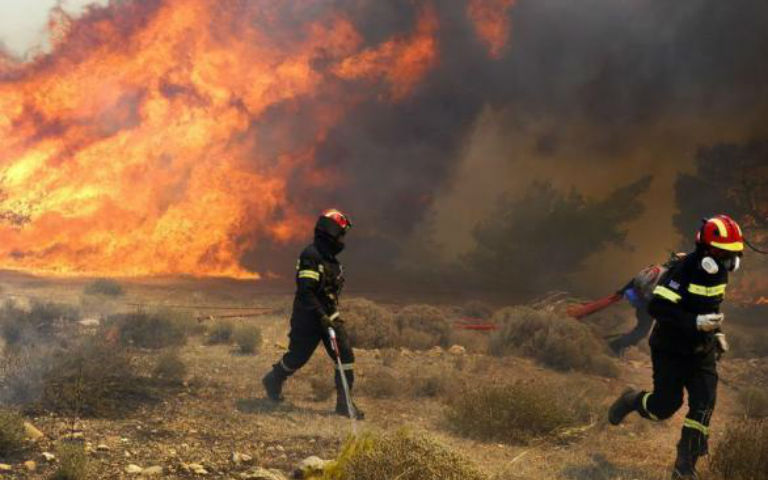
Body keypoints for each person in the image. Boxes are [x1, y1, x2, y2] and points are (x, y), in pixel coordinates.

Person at [608, 215, 743, 479]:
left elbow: (711, 305)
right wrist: (694, 322)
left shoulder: (720, 273)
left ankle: (685, 466)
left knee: (703, 406)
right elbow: (658, 307)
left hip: (700, 351)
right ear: (707, 248)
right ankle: (632, 399)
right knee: (664, 407)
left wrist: (716, 333)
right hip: (670, 349)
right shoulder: (683, 270)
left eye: (734, 254)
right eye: (725, 253)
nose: (730, 261)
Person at [262, 209, 363, 419]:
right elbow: (305, 291)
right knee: (297, 358)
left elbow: (329, 293)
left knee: (345, 355)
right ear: (331, 232)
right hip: (308, 319)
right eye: (341, 233)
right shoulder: (311, 255)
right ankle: (274, 378)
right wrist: (320, 316)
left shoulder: (331, 260)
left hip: (329, 317)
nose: (343, 239)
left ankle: (344, 404)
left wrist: (331, 316)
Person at [608, 254, 686, 355]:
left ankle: (621, 344)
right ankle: (616, 345)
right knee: (642, 331)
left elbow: (634, 280)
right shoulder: (670, 277)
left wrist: (622, 291)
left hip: (640, 301)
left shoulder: (655, 267)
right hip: (648, 304)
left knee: (642, 329)